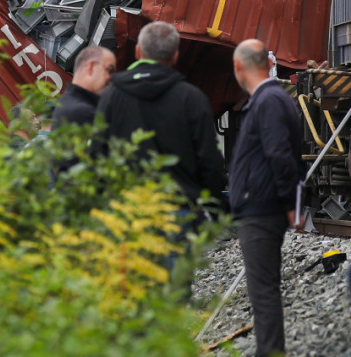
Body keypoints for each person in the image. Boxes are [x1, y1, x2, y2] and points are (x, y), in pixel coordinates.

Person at [96, 21, 227, 208]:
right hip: (179, 209)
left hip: (125, 210)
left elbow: (95, 153)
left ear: (138, 52)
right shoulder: (192, 98)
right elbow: (211, 162)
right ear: (175, 57)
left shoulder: (110, 96)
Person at [229, 39, 304, 357]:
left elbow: (279, 155)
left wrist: (290, 205)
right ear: (269, 64)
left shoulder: (268, 100)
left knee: (263, 293)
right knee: (264, 290)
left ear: (238, 67)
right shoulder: (271, 98)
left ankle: (271, 352)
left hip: (262, 209)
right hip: (263, 205)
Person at [51, 46, 116, 129]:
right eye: (110, 70)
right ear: (91, 67)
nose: (111, 77)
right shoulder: (83, 111)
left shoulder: (68, 102)